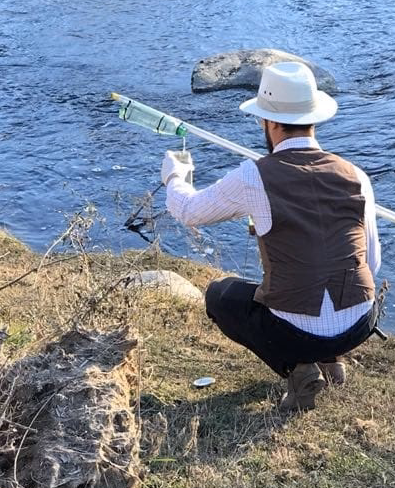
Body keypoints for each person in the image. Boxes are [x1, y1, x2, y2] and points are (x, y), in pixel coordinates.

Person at [161, 60, 382, 411]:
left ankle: (298, 368)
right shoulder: (355, 174)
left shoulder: (254, 176)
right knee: (329, 280)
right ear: (313, 118)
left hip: (296, 334)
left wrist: (176, 176)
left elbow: (190, 212)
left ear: (272, 123)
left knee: (220, 296)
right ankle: (334, 360)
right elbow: (370, 261)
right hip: (360, 324)